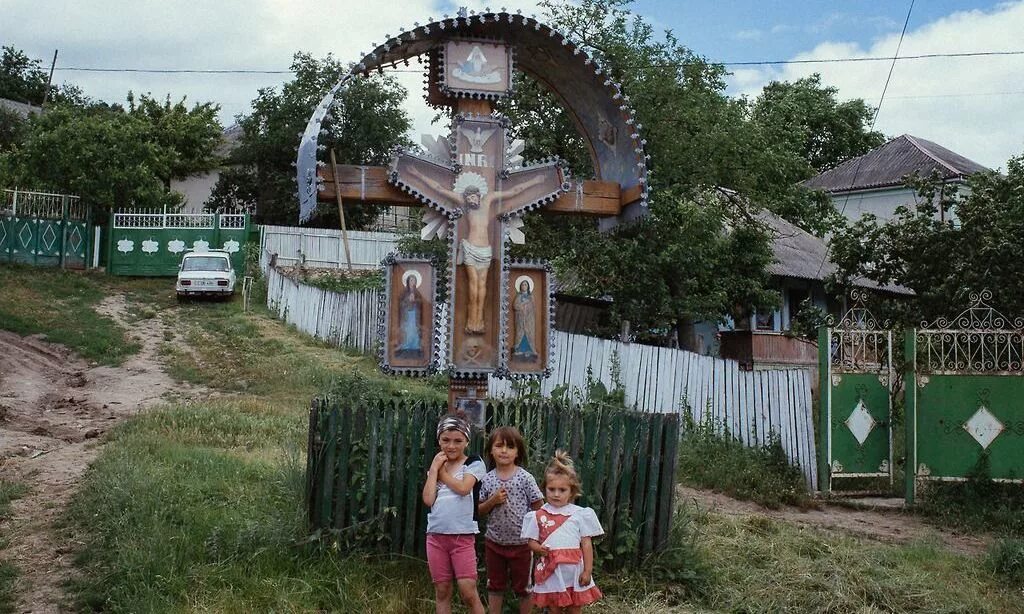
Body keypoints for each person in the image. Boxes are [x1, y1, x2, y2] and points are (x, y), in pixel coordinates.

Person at [404, 166, 545, 335]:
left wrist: (535, 181)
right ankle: (471, 323)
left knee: (482, 287)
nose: (471, 200)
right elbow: (439, 189)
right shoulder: (464, 204)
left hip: (485, 251)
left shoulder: (488, 200)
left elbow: (515, 190)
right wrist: (418, 173)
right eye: (468, 197)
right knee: (473, 286)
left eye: (473, 196)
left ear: (479, 196)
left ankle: (480, 322)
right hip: (470, 249)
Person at [521, 451, 604, 613]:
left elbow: (586, 544)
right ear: (544, 488)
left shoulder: (579, 514)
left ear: (572, 492)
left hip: (574, 571)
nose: (556, 494)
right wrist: (538, 549)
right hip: (551, 570)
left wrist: (587, 571)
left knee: (575, 607)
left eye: (562, 490)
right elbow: (530, 540)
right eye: (551, 489)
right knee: (554, 606)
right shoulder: (538, 515)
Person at [422, 414, 487, 614]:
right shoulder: (437, 467)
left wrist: (442, 474)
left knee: (468, 591)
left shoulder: (474, 462)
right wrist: (433, 471)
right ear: (439, 440)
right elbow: (428, 499)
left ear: (467, 440)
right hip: (436, 536)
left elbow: (463, 488)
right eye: (445, 440)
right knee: (442, 591)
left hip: (462, 536)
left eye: (458, 441)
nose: (451, 446)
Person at [478, 427, 544, 614]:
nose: (504, 450)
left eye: (510, 446)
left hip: (522, 545)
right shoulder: (487, 480)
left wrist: (537, 535)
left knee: (524, 588)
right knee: (495, 586)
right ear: (491, 450)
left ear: (518, 452)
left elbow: (539, 506)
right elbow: (479, 510)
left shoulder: (525, 478)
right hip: (494, 543)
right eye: (499, 445)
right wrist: (493, 501)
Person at [396, 274, 422, 357]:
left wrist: (415, 300)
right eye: (411, 280)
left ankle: (415, 346)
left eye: (414, 280)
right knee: (407, 329)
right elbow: (400, 303)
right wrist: (408, 300)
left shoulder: (418, 292)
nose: (412, 282)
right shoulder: (404, 292)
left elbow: (421, 302)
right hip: (407, 314)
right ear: (407, 281)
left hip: (415, 314)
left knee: (414, 329)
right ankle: (405, 345)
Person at [511, 279, 537, 361]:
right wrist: (523, 303)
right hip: (520, 319)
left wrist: (527, 306)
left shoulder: (531, 296)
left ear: (528, 287)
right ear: (520, 287)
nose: (524, 286)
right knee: (520, 333)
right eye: (522, 285)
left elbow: (532, 308)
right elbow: (515, 306)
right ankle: (518, 350)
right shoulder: (518, 296)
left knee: (529, 333)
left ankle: (530, 350)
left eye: (526, 285)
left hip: (529, 319)